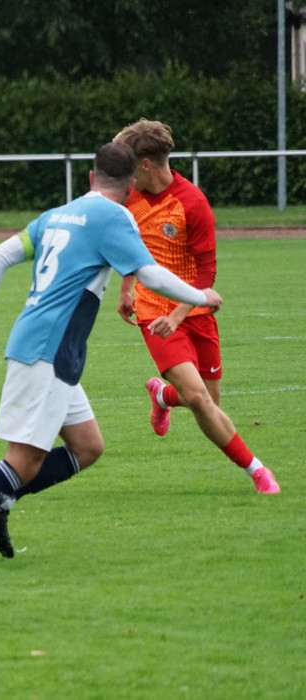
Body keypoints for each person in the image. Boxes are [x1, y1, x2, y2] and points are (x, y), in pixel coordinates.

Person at [0, 143, 223, 568]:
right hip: (48, 349)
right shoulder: (114, 216)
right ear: (130, 187)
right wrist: (201, 295)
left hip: (50, 349)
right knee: (24, 461)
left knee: (86, 446)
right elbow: (150, 274)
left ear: (91, 177)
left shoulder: (58, 214)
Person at [113, 119, 280, 495]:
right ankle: (257, 471)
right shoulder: (128, 197)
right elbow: (127, 244)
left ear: (146, 164)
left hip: (193, 312)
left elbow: (207, 273)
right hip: (153, 311)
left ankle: (162, 395)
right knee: (199, 398)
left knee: (208, 401)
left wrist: (178, 314)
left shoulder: (192, 204)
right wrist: (126, 289)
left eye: (128, 165)